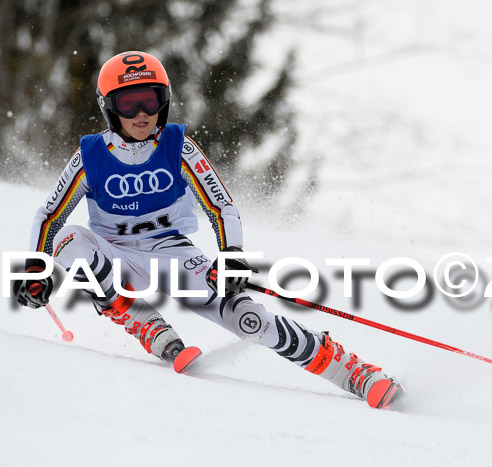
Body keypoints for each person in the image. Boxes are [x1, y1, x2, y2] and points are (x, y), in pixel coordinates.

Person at [12, 51, 403, 409]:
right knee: (68, 242)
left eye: (151, 98)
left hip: (171, 253)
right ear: (109, 108)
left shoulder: (178, 147)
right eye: (129, 103)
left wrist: (231, 257)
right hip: (113, 251)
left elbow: (221, 206)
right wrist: (35, 269)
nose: (142, 112)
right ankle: (141, 321)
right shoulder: (91, 156)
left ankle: (353, 372)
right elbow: (49, 215)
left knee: (245, 316)